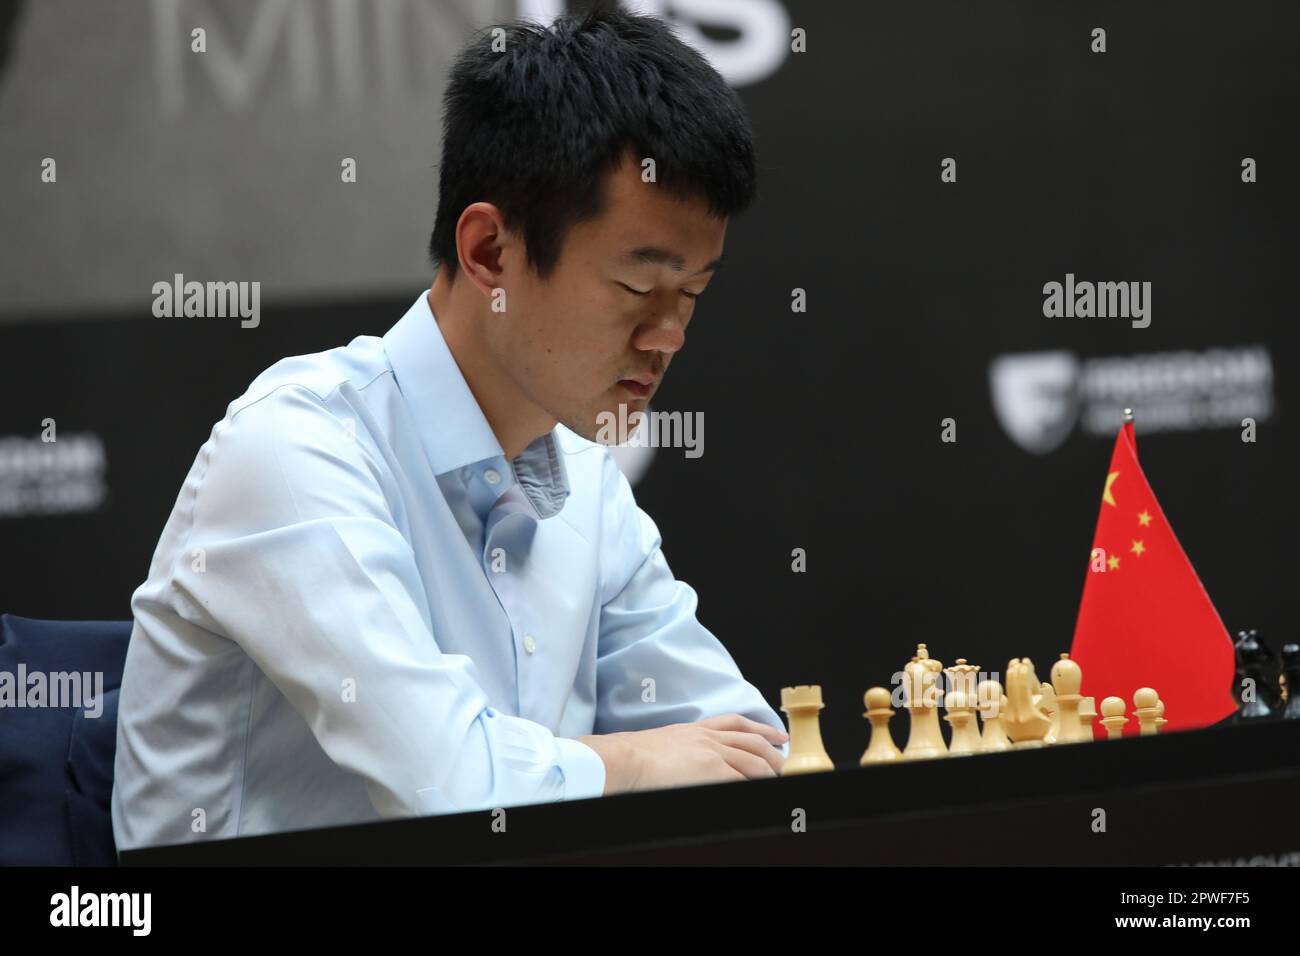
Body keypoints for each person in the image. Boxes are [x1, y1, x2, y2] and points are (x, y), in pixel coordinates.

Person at [112, 5, 787, 852]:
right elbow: (453, 790)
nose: (669, 337)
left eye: (691, 295)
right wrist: (641, 765)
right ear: (491, 254)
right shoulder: (295, 449)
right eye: (636, 288)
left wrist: (665, 760)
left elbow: (739, 746)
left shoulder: (586, 480)